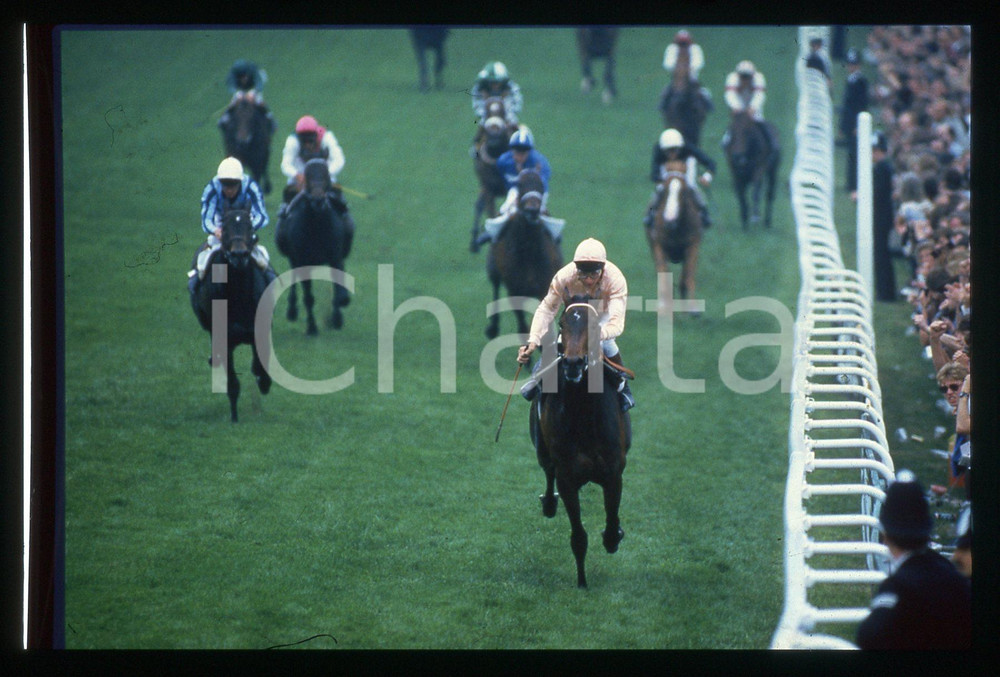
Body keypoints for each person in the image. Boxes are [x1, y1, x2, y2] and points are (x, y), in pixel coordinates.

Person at [855, 471, 971, 649]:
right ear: (927, 530)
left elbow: (868, 636)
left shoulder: (897, 588)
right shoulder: (954, 577)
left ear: (885, 535)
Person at [517, 238, 634, 412]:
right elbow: (547, 309)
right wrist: (533, 341)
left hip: (602, 314)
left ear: (602, 270)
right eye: (582, 273)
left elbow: (616, 322)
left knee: (607, 343)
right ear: (575, 268)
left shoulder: (615, 279)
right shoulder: (564, 276)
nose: (588, 280)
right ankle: (537, 380)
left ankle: (623, 387)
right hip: (575, 315)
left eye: (593, 274)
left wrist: (596, 335)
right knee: (559, 343)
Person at [189, 157, 276, 292]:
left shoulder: (251, 187)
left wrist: (247, 228)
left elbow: (262, 216)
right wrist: (215, 230)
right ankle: (199, 276)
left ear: (240, 182)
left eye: (233, 185)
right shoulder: (212, 189)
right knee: (214, 248)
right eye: (225, 184)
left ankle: (268, 273)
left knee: (260, 253)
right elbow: (206, 220)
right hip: (221, 221)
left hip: (245, 221)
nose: (228, 189)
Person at [644, 127, 716, 228]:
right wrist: (660, 180)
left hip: (686, 165)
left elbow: (710, 163)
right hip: (666, 167)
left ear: (680, 148)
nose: (672, 154)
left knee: (691, 187)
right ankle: (651, 213)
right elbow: (654, 172)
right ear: (663, 150)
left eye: (674, 150)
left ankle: (704, 213)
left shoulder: (688, 147)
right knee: (660, 189)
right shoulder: (658, 150)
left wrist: (707, 177)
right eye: (668, 151)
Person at [279, 114, 347, 207]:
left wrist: (326, 173)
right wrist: (296, 175)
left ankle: (345, 218)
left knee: (340, 204)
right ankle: (283, 216)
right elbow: (285, 164)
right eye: (304, 141)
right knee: (287, 204)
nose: (307, 145)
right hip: (300, 179)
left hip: (324, 177)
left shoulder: (327, 137)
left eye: (310, 141)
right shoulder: (292, 141)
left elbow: (339, 160)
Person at [722, 60, 779, 154]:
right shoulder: (732, 79)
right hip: (739, 112)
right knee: (729, 135)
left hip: (754, 113)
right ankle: (727, 145)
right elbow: (730, 95)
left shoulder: (759, 79)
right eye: (743, 77)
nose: (745, 80)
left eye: (747, 77)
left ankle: (773, 145)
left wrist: (752, 108)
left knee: (763, 127)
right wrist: (736, 107)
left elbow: (759, 96)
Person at [495, 128, 552, 216]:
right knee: (505, 209)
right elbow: (504, 180)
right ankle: (493, 228)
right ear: (512, 151)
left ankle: (553, 229)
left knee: (541, 212)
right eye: (517, 152)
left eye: (523, 152)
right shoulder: (503, 161)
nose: (520, 155)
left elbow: (543, 185)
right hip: (515, 189)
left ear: (529, 152)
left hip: (537, 192)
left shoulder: (540, 163)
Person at [870, 130, 897, 301]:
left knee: (881, 254)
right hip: (883, 215)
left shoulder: (883, 168)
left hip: (882, 217)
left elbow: (879, 192)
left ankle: (886, 292)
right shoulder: (884, 167)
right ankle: (884, 291)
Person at [839, 48, 869, 193]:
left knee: (855, 154)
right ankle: (850, 183)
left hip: (856, 124)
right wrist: (842, 125)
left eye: (853, 64)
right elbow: (846, 106)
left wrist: (858, 125)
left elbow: (862, 104)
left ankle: (854, 184)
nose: (851, 67)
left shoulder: (861, 81)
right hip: (850, 122)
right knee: (851, 154)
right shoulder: (851, 79)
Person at [471, 61, 523, 126]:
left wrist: (508, 115)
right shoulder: (480, 88)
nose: (494, 85)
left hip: (508, 118)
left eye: (496, 82)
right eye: (491, 82)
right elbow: (478, 108)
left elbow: (516, 106)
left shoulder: (511, 88)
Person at [409, 27, 449, 92]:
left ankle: (437, 80)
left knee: (439, 60)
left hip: (436, 36)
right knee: (423, 62)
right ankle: (425, 83)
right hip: (421, 36)